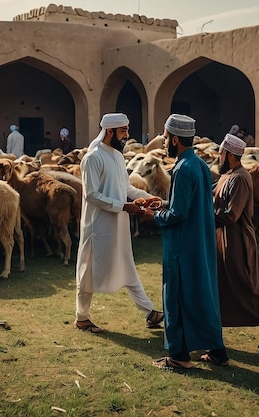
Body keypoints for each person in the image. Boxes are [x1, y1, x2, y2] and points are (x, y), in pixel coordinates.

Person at [142, 114, 229, 369]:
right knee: (203, 296)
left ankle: (179, 357)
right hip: (200, 243)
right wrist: (162, 203)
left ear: (176, 139)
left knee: (177, 297)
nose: (165, 142)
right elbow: (190, 203)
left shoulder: (181, 168)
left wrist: (152, 214)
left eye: (167, 138)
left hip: (181, 245)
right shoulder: (200, 165)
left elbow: (179, 214)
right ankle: (217, 352)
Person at [74, 113, 164, 334]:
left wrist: (146, 197)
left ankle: (150, 313)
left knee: (127, 263)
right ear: (110, 131)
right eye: (123, 131)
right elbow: (92, 195)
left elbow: (126, 189)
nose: (127, 135)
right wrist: (123, 206)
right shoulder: (93, 158)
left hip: (118, 222)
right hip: (97, 226)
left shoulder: (116, 156)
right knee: (88, 270)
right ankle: (82, 318)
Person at [213, 133, 259, 350]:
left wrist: (203, 215)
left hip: (237, 241)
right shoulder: (227, 175)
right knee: (224, 285)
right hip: (223, 239)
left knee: (248, 286)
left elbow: (231, 215)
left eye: (221, 152)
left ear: (229, 154)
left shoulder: (240, 178)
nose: (218, 155)